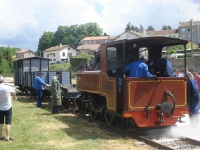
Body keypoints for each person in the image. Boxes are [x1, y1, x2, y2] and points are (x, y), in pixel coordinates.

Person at [0, 76, 17, 141]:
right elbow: (14, 92)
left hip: (0, 107)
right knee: (8, 122)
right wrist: (14, 97)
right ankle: (7, 137)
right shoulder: (7, 87)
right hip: (8, 106)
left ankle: (0, 135)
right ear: (3, 81)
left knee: (0, 122)